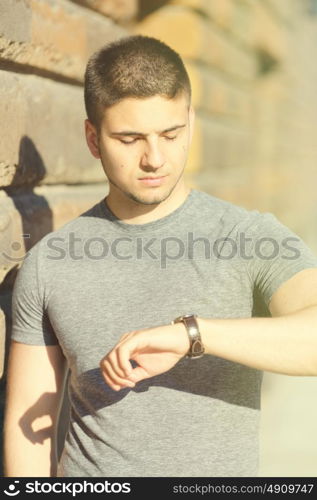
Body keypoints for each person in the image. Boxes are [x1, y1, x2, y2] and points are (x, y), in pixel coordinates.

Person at [3, 35, 317, 478]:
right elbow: (26, 430)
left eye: (171, 134)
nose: (154, 158)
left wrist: (191, 335)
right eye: (129, 139)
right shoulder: (50, 262)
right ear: (93, 138)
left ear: (190, 120)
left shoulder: (251, 237)